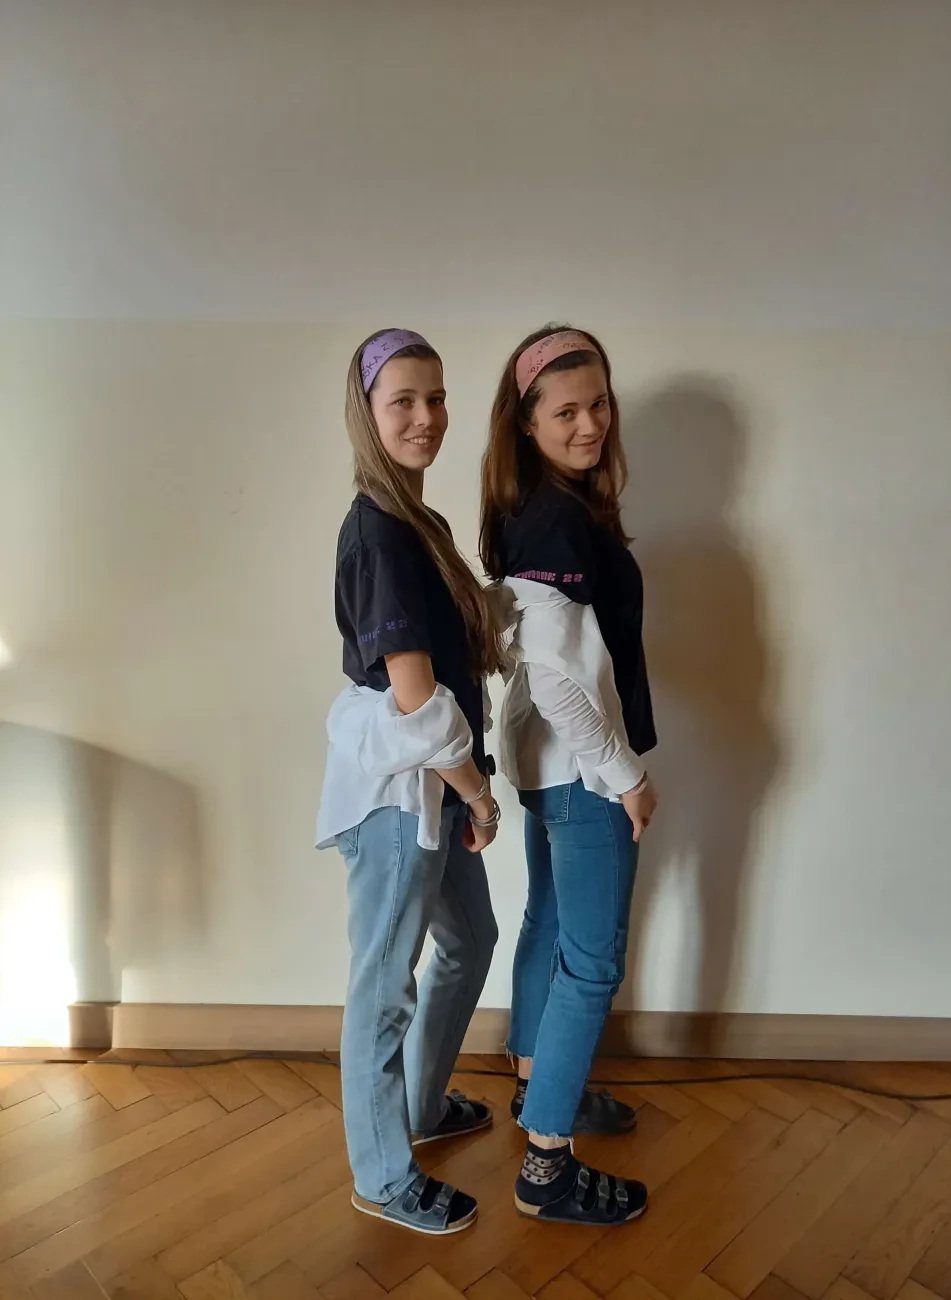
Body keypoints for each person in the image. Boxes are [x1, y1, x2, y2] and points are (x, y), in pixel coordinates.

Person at [317, 328, 506, 1236]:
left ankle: (422, 1109)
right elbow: (418, 700)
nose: (426, 416)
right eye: (403, 400)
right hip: (401, 798)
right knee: (383, 984)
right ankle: (385, 1177)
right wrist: (477, 792)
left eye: (435, 397)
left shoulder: (416, 522)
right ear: (367, 412)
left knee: (470, 938)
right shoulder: (380, 533)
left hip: (435, 785)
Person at [480, 324, 659, 1226]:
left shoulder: (536, 507)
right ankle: (546, 1168)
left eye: (598, 405)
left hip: (545, 769)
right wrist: (623, 775)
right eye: (565, 413)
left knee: (548, 923)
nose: (589, 424)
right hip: (582, 776)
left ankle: (537, 1086)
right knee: (590, 966)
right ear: (526, 422)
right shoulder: (554, 518)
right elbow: (554, 676)